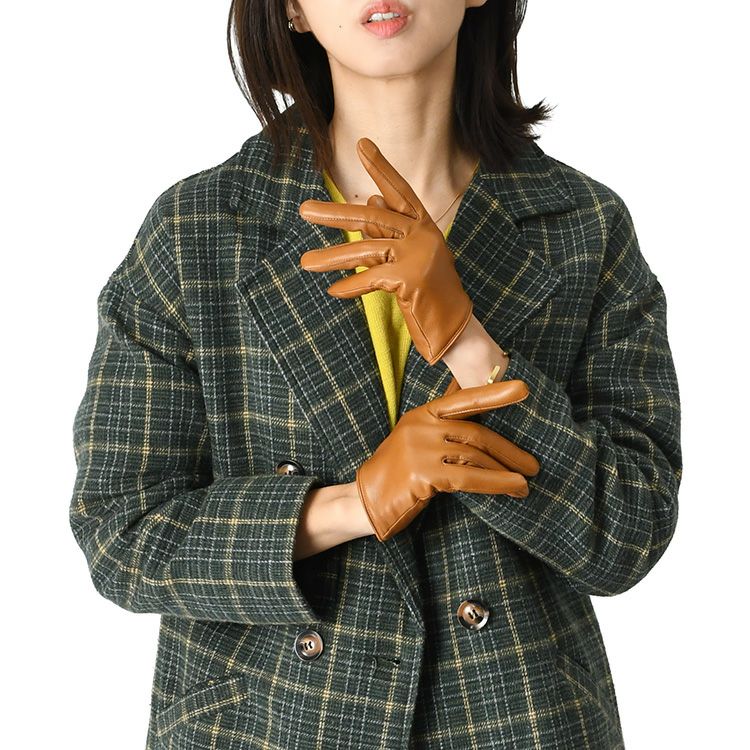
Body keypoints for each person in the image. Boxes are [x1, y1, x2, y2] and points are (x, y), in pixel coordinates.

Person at [69, 1, 682, 748]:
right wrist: (353, 504)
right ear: (292, 9)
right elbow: (122, 536)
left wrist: (468, 343)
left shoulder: (583, 224)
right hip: (271, 723)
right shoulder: (196, 230)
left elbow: (629, 535)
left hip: (514, 720)